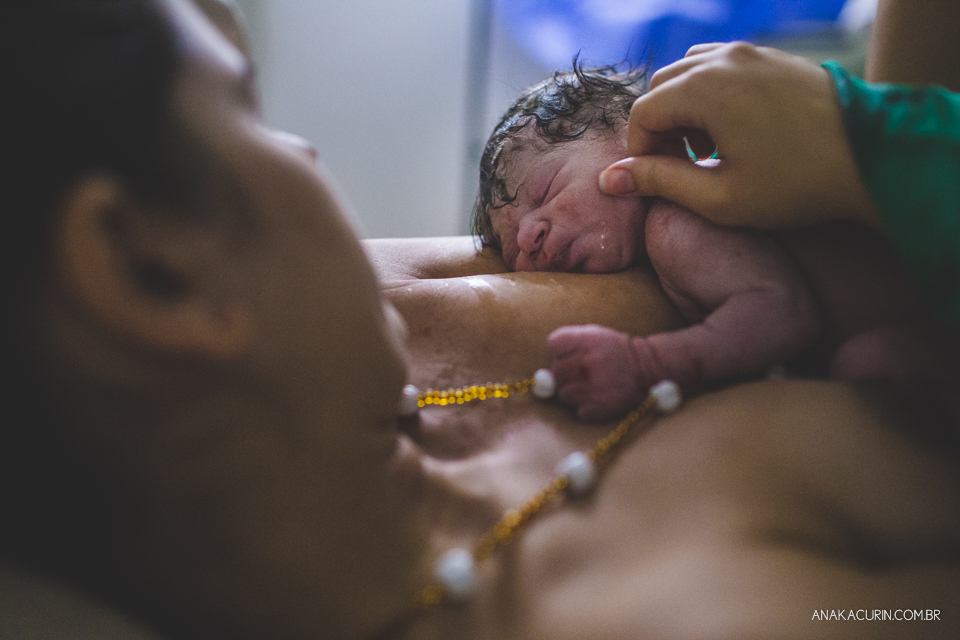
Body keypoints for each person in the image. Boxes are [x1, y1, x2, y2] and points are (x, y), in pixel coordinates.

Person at [3, 1, 960, 640]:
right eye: (249, 114)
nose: (305, 147)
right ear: (150, 269)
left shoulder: (383, 313)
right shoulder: (713, 606)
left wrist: (875, 138)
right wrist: (876, 144)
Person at [471, 64, 958, 422]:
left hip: (934, 299)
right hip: (918, 310)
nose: (531, 238)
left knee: (866, 368)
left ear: (632, 133)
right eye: (514, 249)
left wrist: (646, 364)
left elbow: (784, 313)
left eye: (546, 190)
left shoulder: (673, 219)